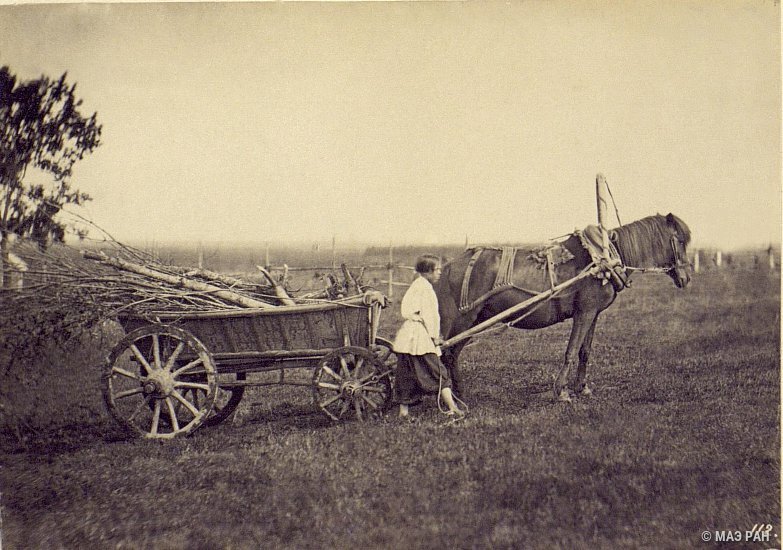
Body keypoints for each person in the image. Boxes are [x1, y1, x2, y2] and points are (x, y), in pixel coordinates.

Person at [392, 254, 464, 421]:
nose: (439, 273)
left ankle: (404, 412)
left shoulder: (416, 285)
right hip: (420, 337)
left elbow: (406, 310)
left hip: (407, 336)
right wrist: (434, 337)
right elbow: (431, 316)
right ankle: (453, 408)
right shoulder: (426, 289)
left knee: (406, 374)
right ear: (427, 272)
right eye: (437, 270)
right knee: (439, 372)